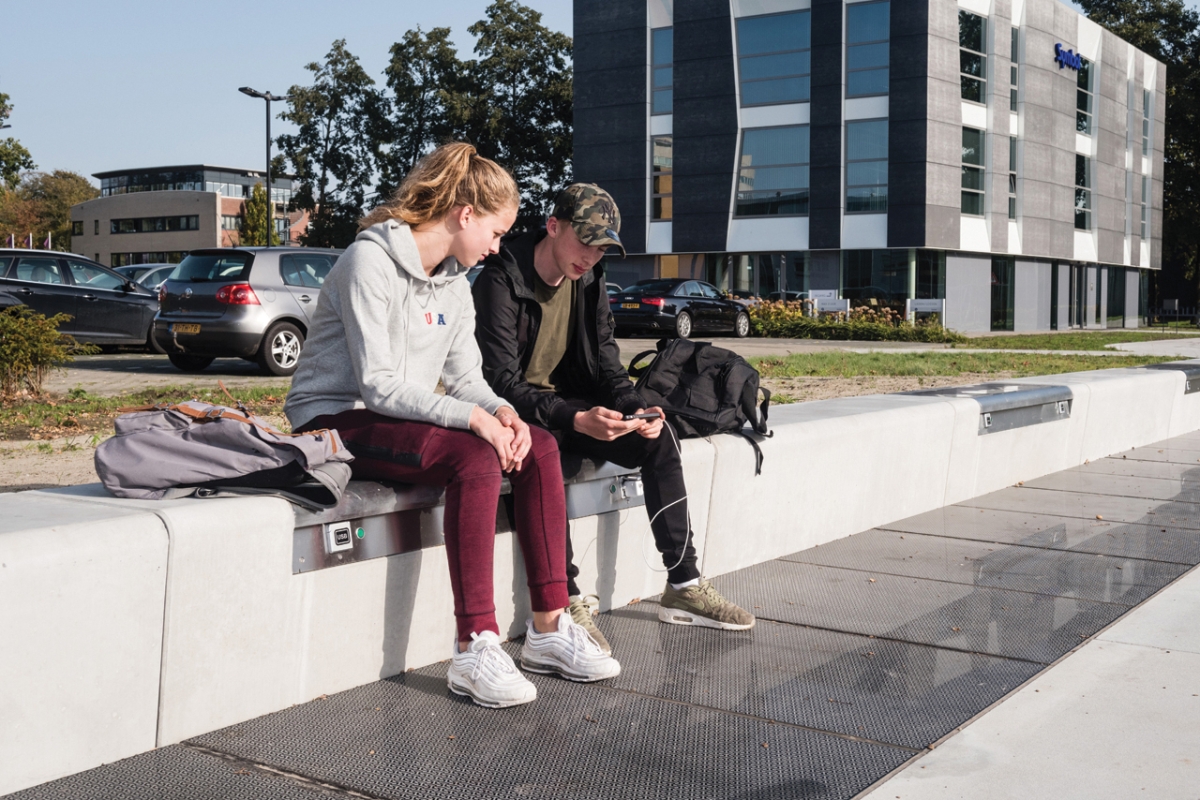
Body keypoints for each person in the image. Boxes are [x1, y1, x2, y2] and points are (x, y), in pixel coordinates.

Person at [284, 145, 620, 709]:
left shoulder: (456, 282)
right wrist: (474, 422)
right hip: (333, 419)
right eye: (495, 231)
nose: (497, 246)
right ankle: (474, 645)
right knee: (474, 457)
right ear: (465, 214)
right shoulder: (369, 262)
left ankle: (548, 628)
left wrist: (504, 413)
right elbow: (378, 385)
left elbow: (466, 378)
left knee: (536, 444)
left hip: (396, 415)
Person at [471, 183, 755, 653]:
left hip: (573, 406)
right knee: (547, 459)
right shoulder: (501, 278)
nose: (591, 256)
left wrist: (634, 408)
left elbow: (606, 365)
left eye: (602, 248)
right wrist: (574, 418)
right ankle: (569, 598)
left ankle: (683, 585)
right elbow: (499, 380)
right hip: (516, 414)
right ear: (553, 226)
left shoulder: (590, 279)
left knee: (659, 437)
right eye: (585, 242)